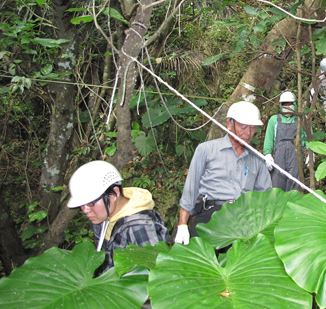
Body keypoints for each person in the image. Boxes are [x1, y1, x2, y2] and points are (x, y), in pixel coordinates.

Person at [174, 101, 272, 246]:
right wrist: (182, 225)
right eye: (243, 126)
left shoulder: (257, 160)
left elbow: (266, 197)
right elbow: (191, 188)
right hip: (211, 216)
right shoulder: (206, 150)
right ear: (229, 124)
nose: (248, 133)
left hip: (244, 220)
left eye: (252, 128)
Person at [67, 160, 170, 273]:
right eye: (81, 205)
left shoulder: (140, 227)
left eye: (90, 203)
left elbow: (157, 273)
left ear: (115, 193)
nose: (85, 210)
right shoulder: (103, 216)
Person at [263, 91, 307, 192]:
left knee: (295, 182)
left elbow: (307, 138)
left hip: (296, 156)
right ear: (281, 105)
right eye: (284, 104)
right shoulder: (274, 120)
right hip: (279, 157)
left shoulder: (301, 119)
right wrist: (267, 154)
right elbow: (269, 139)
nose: (287, 106)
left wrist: (310, 152)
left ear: (295, 104)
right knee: (277, 183)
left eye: (290, 103)